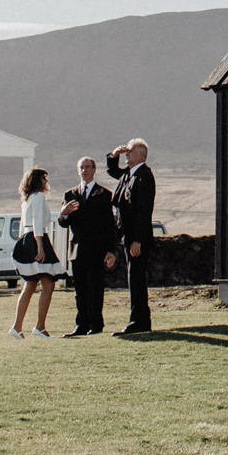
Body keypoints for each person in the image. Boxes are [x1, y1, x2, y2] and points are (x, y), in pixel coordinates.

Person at [60, 154, 119, 337]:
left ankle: (96, 324)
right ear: (78, 171)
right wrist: (64, 213)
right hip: (77, 249)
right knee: (80, 289)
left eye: (88, 167)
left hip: (97, 249)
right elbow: (63, 223)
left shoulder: (104, 195)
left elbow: (110, 225)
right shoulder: (70, 195)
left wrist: (111, 250)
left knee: (95, 287)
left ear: (94, 170)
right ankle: (82, 324)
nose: (85, 170)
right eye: (82, 167)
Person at [106, 139, 156, 336]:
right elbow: (112, 170)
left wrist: (138, 239)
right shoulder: (128, 174)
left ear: (141, 155)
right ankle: (140, 320)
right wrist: (115, 153)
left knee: (136, 278)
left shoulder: (145, 176)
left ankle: (139, 321)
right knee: (133, 278)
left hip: (137, 239)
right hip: (127, 236)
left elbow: (144, 211)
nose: (127, 155)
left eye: (130, 152)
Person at [9, 168, 60, 339]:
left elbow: (26, 223)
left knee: (30, 285)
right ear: (38, 181)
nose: (47, 182)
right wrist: (40, 245)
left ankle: (17, 328)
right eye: (44, 178)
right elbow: (37, 221)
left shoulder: (27, 198)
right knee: (48, 284)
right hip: (36, 239)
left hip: (27, 239)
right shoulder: (38, 196)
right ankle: (39, 327)